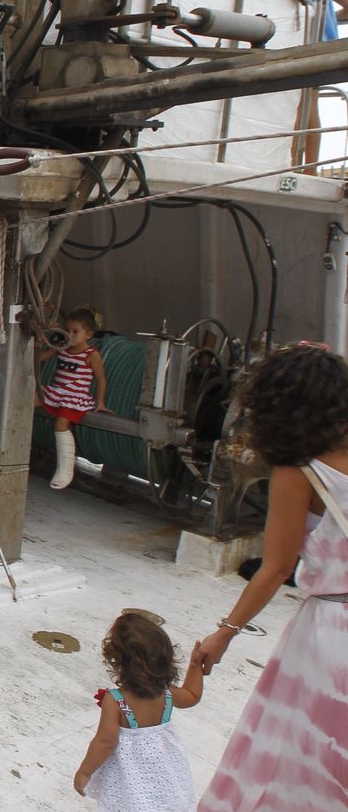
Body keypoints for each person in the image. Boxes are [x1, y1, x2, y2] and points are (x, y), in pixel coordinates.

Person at [192, 343, 348, 811]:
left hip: (332, 638)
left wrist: (225, 633)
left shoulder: (300, 471)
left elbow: (276, 568)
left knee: (300, 760)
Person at [72, 612, 203, 809]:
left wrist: (85, 771)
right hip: (164, 778)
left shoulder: (116, 700)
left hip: (130, 779)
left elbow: (105, 742)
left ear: (117, 660)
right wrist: (195, 666)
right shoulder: (166, 693)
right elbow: (192, 695)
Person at [279, 0, 348, 170]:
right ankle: (308, 166)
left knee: (304, 107)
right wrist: (332, 17)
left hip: (310, 46)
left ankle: (304, 166)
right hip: (326, 45)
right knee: (309, 104)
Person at [38, 306, 107, 490]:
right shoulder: (62, 347)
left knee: (61, 423)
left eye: (75, 332)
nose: (69, 335)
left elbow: (100, 378)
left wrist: (100, 401)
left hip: (74, 396)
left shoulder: (91, 355)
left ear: (88, 334)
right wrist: (40, 337)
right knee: (24, 402)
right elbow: (41, 357)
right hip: (56, 392)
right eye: (67, 330)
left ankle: (65, 469)